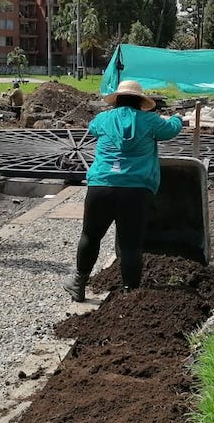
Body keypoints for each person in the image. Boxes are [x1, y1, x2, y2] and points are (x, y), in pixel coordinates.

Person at [62, 80, 183, 301]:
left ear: (117, 100)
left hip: (101, 187)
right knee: (131, 245)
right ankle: (130, 295)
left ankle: (79, 283)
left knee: (91, 235)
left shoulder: (103, 119)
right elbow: (172, 130)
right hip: (136, 191)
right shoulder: (150, 121)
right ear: (140, 101)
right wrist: (177, 118)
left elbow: (92, 129)